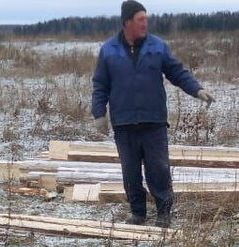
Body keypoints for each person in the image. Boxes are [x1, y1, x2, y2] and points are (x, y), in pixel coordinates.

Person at [91, 1, 213, 227]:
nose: (145, 23)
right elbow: (100, 85)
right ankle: (138, 213)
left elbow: (177, 72)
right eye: (140, 19)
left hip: (153, 121)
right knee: (130, 173)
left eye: (146, 19)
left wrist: (197, 90)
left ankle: (164, 213)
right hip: (124, 123)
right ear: (127, 22)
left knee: (159, 170)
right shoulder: (109, 50)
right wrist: (99, 113)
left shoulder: (157, 46)